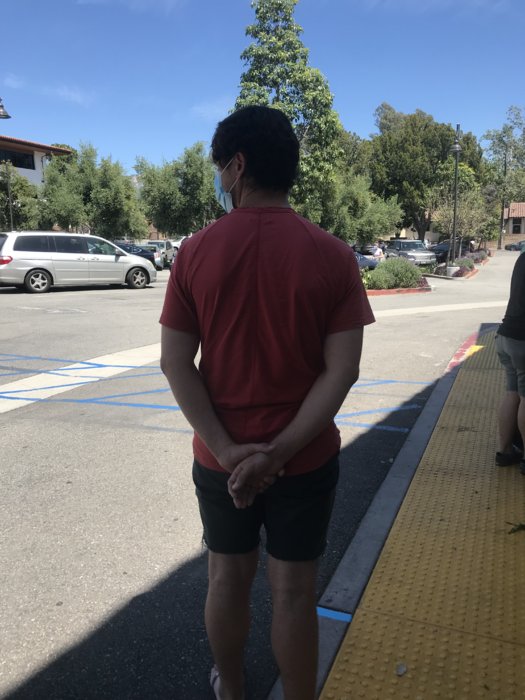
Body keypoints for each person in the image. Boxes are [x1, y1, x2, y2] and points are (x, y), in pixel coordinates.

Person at [159, 105, 375, 700]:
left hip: (219, 459)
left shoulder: (195, 251)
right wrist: (278, 452)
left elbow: (175, 362)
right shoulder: (333, 254)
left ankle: (230, 686)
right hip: (304, 459)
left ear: (238, 165)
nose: (218, 178)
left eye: (219, 167)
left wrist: (230, 450)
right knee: (295, 592)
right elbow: (343, 370)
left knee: (226, 577)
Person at [495, 249, 525, 474]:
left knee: (512, 393)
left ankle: (505, 451)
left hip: (505, 335)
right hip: (523, 340)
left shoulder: (522, 257)